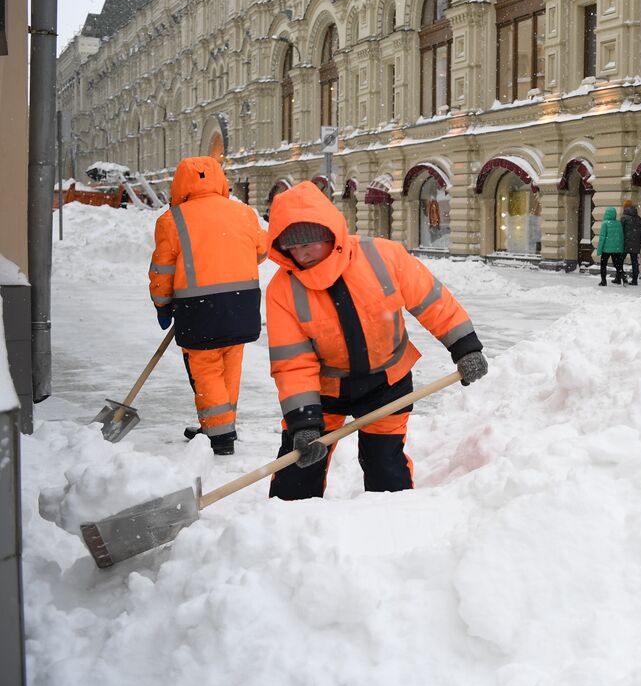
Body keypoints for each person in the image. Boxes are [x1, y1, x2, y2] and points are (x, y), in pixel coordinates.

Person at [263, 181, 488, 500]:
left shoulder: (382, 256)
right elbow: (293, 362)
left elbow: (433, 301)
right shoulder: (283, 290)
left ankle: (393, 529)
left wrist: (465, 347)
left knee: (386, 467)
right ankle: (284, 533)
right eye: (293, 247)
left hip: (387, 381)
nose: (303, 253)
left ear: (330, 232)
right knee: (297, 472)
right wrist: (304, 422)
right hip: (325, 390)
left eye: (310, 242)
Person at [149, 156, 267, 455]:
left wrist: (162, 304)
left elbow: (163, 270)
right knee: (230, 366)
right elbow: (261, 251)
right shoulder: (244, 213)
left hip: (198, 308)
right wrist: (231, 258)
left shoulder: (171, 220)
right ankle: (223, 423)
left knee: (205, 370)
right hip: (242, 303)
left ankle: (220, 435)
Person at [596, 205, 625, 286]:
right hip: (616, 249)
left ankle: (603, 281)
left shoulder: (605, 224)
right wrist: (620, 248)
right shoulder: (618, 224)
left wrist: (599, 250)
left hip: (606, 249)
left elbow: (602, 238)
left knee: (603, 265)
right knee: (618, 265)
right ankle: (623, 277)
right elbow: (621, 237)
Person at [620, 199, 641, 286]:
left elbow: (620, 232)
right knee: (634, 261)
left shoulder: (623, 218)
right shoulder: (638, 218)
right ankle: (635, 280)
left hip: (625, 243)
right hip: (636, 243)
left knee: (620, 261)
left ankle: (620, 277)